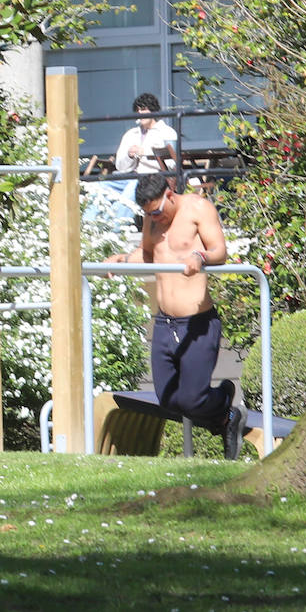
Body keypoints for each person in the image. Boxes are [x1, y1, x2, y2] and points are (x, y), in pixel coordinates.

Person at [107, 172, 245, 459]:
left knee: (192, 399)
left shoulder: (197, 209)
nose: (154, 218)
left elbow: (220, 250)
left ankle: (224, 402)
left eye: (157, 211)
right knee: (168, 399)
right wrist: (121, 260)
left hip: (197, 323)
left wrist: (201, 257)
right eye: (148, 214)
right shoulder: (152, 218)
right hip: (164, 322)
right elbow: (147, 254)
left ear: (170, 194)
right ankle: (224, 420)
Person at [82, 92, 178, 225]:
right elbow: (121, 166)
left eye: (144, 109)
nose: (140, 113)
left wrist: (144, 152)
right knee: (100, 187)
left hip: (153, 178)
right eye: (138, 110)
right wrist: (129, 155)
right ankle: (87, 227)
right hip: (128, 176)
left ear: (153, 110)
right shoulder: (131, 134)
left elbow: (172, 162)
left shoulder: (167, 132)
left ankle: (115, 229)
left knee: (132, 189)